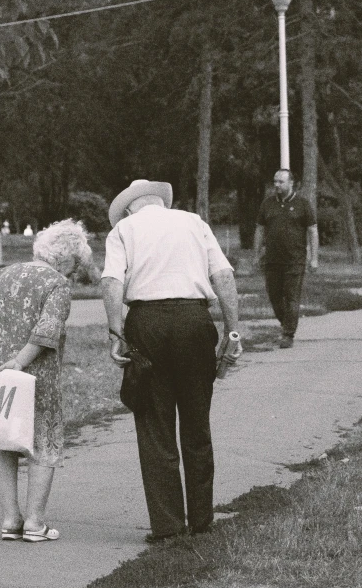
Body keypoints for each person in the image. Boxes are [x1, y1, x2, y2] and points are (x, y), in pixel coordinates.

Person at [101, 179, 242, 544]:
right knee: (197, 423)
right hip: (194, 320)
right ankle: (201, 519)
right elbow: (223, 276)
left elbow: (112, 282)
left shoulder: (124, 230)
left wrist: (116, 332)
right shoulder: (195, 222)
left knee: (154, 424)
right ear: (159, 202)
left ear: (131, 207)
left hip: (147, 323)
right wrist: (233, 331)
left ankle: (167, 526)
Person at [0, 219, 92, 543]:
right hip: (38, 378)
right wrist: (21, 362)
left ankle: (10, 520)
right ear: (66, 259)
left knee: (3, 442)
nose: (74, 273)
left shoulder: (2, 275)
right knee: (42, 445)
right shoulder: (57, 283)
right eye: (75, 265)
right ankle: (35, 523)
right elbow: (48, 328)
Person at [254, 169, 319, 348]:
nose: (277, 185)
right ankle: (286, 325)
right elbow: (259, 229)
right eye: (275, 181)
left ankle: (288, 334)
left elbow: (312, 231)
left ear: (291, 183)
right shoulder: (267, 204)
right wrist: (256, 254)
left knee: (291, 298)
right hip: (272, 260)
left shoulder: (302, 204)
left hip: (295, 260)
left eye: (281, 182)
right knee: (274, 296)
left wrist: (314, 258)